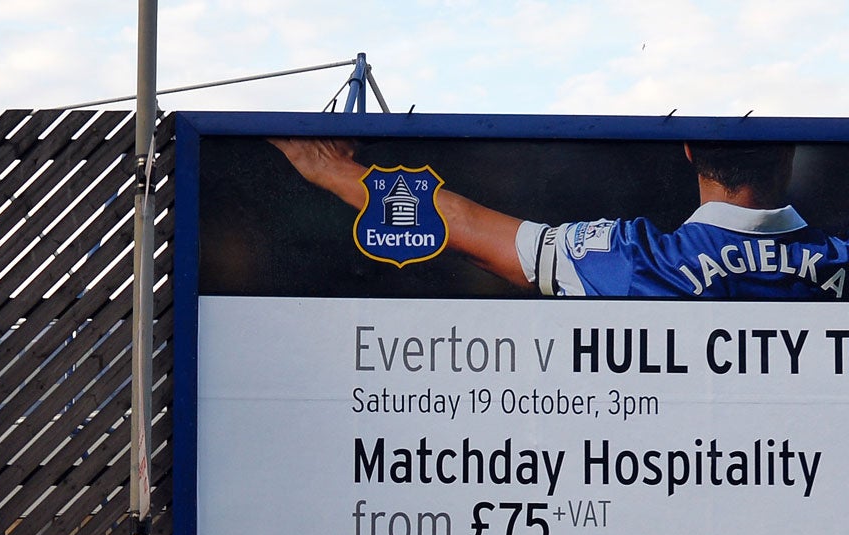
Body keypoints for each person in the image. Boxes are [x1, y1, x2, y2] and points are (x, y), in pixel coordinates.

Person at [270, 138, 849, 299]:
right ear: (792, 148)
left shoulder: (637, 264)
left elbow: (462, 225)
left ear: (689, 150)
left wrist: (329, 169)